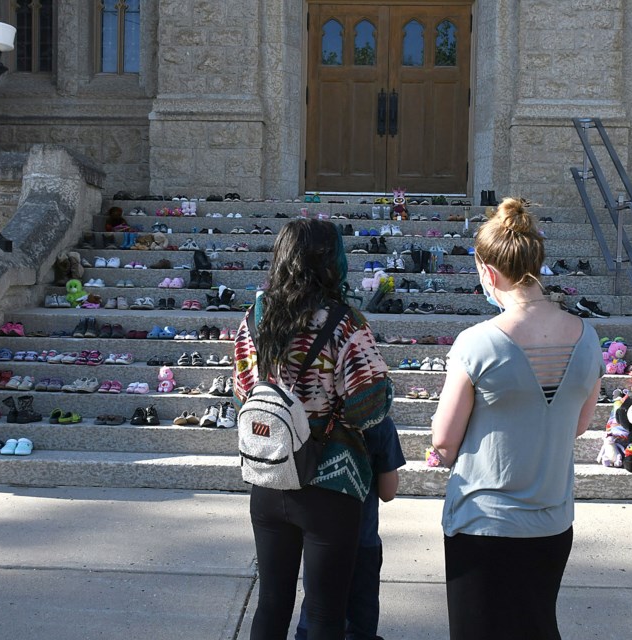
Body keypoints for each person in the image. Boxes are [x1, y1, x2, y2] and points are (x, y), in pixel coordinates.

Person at [430, 197, 604, 640]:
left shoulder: (477, 342)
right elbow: (580, 423)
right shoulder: (588, 337)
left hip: (484, 521)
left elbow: (445, 439)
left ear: (489, 272)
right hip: (551, 519)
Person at [232, 218, 394, 640]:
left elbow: (243, 395)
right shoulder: (344, 322)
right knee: (325, 614)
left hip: (269, 477)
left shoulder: (256, 316)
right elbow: (368, 405)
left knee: (271, 604)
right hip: (330, 482)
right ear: (331, 261)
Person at [295, 415, 407, 640]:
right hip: (361, 539)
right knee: (359, 622)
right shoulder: (378, 421)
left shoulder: (309, 414)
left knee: (317, 610)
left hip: (319, 538)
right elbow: (388, 492)